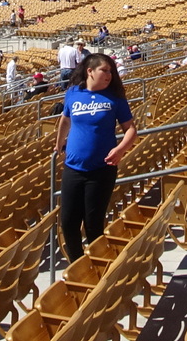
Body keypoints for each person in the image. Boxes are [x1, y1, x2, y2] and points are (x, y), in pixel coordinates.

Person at [53, 52, 137, 260]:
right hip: (73, 167)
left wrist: (120, 150)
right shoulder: (73, 93)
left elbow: (131, 130)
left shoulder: (115, 98)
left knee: (93, 223)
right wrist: (59, 144)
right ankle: (77, 266)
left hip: (102, 169)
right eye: (105, 70)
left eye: (111, 71)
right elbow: (65, 120)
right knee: (69, 222)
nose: (109, 75)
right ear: (90, 71)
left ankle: (98, 267)